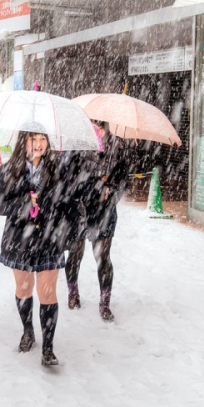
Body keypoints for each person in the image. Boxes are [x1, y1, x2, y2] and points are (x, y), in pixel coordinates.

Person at [0, 129, 75, 366]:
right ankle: (28, 330)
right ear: (24, 141)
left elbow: (68, 202)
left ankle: (48, 348)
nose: (38, 144)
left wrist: (55, 209)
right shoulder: (10, 169)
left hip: (50, 239)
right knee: (24, 287)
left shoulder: (58, 168)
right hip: (20, 240)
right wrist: (24, 203)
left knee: (48, 292)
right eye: (33, 139)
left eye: (42, 139)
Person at [64, 120, 129, 321]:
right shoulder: (76, 145)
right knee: (75, 253)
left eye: (100, 127)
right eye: (92, 126)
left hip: (104, 211)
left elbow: (123, 180)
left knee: (103, 257)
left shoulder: (117, 147)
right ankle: (73, 293)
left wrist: (111, 189)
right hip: (80, 209)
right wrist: (93, 185)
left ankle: (105, 303)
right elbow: (67, 178)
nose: (96, 131)